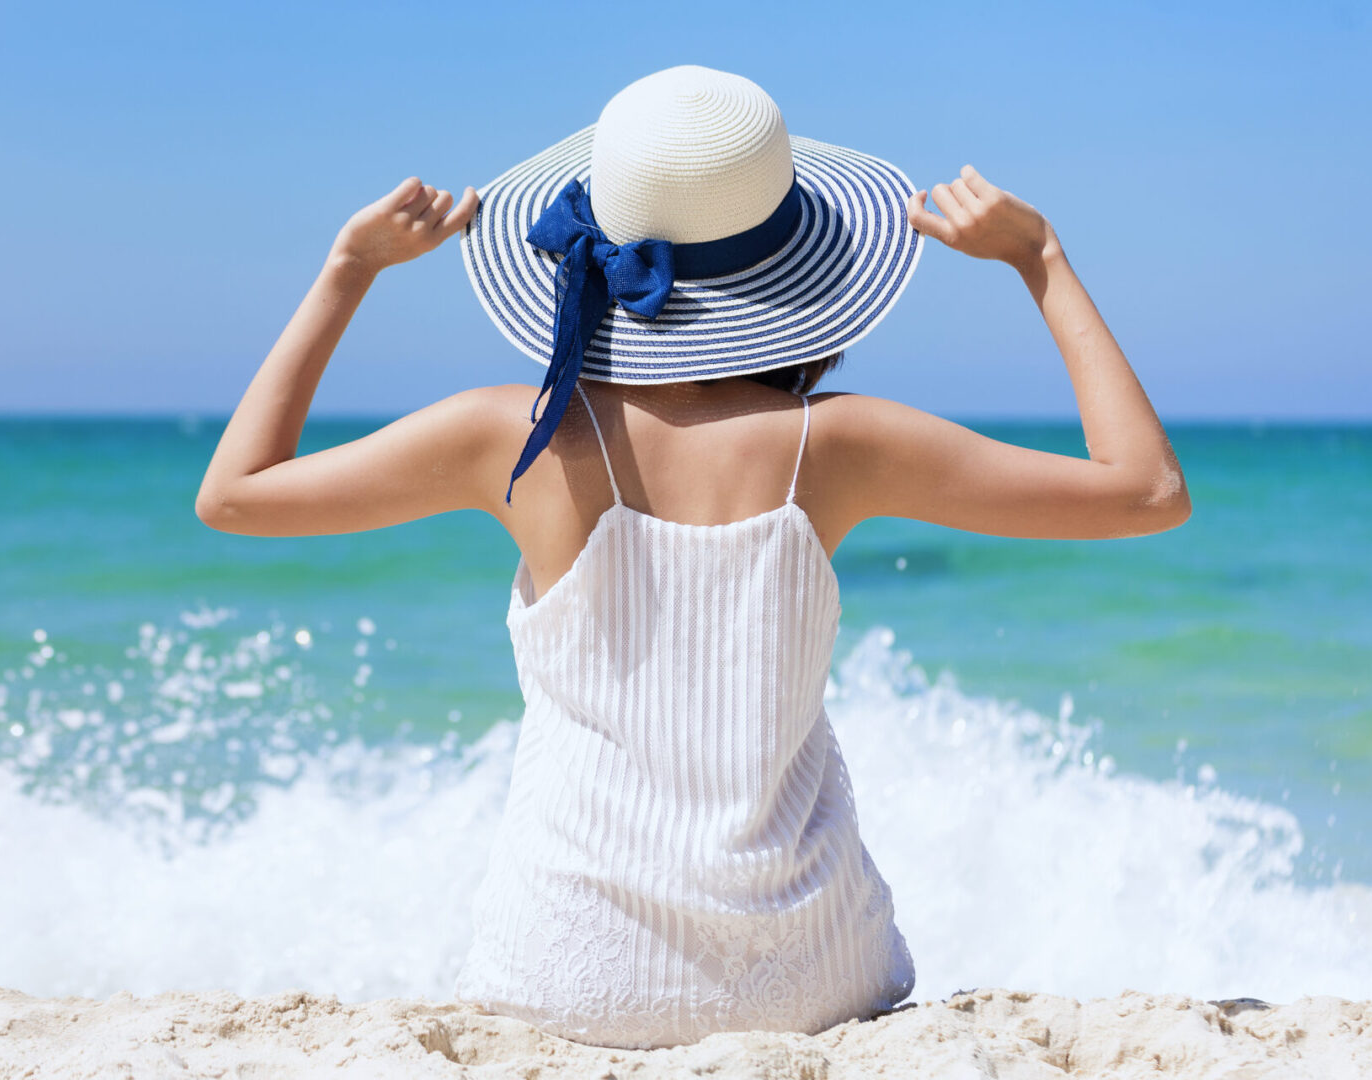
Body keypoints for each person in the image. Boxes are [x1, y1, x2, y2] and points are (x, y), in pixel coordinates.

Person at [195, 66, 1190, 1050]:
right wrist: (1043, 260)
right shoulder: (838, 446)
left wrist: (347, 270)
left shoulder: (510, 437)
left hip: (566, 970)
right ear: (795, 267)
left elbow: (233, 495)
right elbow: (1148, 492)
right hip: (808, 979)